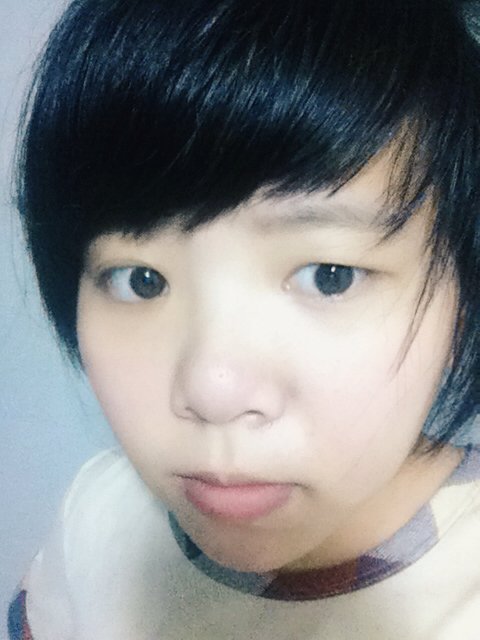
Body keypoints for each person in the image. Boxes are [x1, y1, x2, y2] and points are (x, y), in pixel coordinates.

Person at [8, 0, 480, 637]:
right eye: (140, 280)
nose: (213, 391)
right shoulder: (100, 518)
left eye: (329, 276)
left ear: (462, 294)